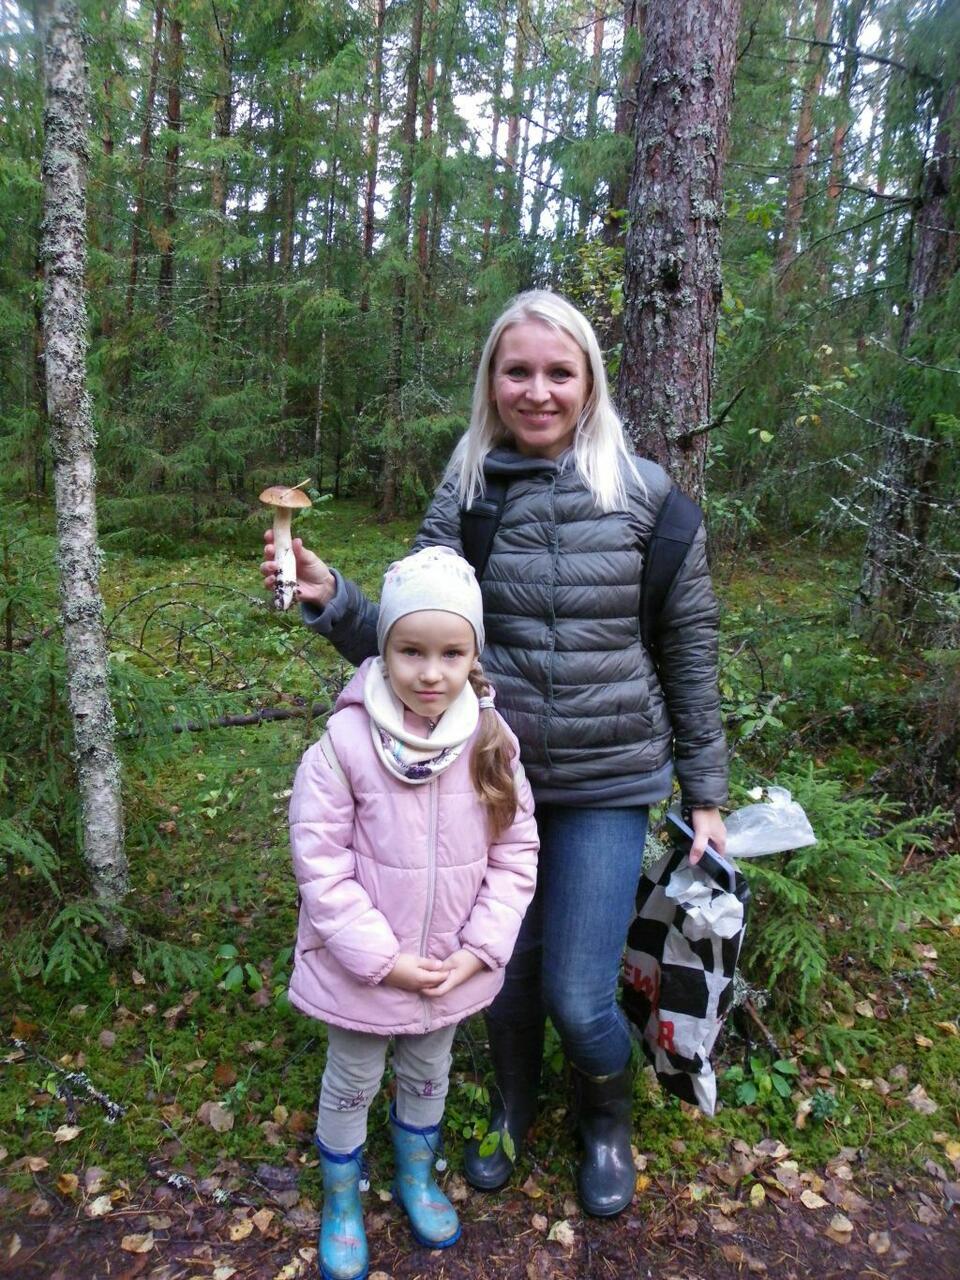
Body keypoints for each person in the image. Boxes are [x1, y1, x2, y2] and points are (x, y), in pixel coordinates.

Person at [264, 289, 728, 1221]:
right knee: (498, 978)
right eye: (518, 371)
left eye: (560, 372)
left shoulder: (645, 497)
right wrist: (334, 598)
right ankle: (516, 1108)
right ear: (492, 379)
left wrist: (706, 794)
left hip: (607, 779)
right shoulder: (470, 487)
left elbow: (689, 648)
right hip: (485, 778)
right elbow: (417, 637)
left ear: (590, 378)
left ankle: (604, 1120)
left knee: (576, 993)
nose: (539, 390)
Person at [288, 545, 538, 1280]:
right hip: (366, 972)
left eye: (452, 653)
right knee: (353, 1078)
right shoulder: (344, 745)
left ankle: (416, 1176)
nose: (431, 673)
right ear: (384, 649)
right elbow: (321, 865)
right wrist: (382, 959)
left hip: (450, 966)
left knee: (429, 1074)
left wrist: (479, 949)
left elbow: (516, 853)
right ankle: (342, 1199)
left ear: (473, 655)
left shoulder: (490, 743)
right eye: (411, 651)